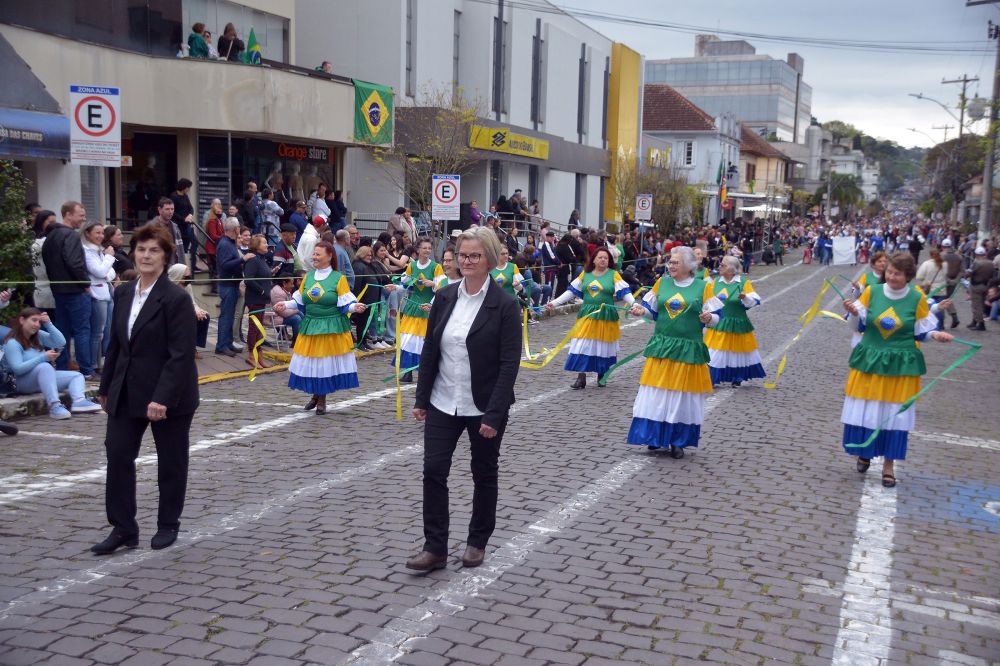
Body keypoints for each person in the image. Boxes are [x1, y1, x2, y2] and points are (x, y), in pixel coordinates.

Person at [406, 227, 521, 571]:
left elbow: (508, 364)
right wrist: (421, 397)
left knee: (483, 472)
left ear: (489, 259)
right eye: (462, 255)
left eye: (475, 256)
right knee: (433, 470)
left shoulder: (504, 304)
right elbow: (431, 350)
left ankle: (477, 541)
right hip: (444, 399)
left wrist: (494, 414)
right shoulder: (444, 296)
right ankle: (435, 547)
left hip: (483, 405)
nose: (467, 262)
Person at [93, 223, 199, 555]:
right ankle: (123, 527)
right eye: (141, 249)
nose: (146, 256)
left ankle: (168, 523)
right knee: (119, 454)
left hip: (169, 394)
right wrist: (106, 386)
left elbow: (181, 354)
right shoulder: (123, 291)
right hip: (126, 389)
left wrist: (161, 398)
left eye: (154, 250)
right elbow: (116, 345)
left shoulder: (176, 298)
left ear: (166, 257)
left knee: (171, 461)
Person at [841, 253, 953, 488]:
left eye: (897, 274)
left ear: (908, 276)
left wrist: (937, 335)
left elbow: (923, 331)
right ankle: (865, 452)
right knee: (869, 410)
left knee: (894, 415)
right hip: (870, 360)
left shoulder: (916, 297)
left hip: (900, 364)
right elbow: (859, 323)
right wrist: (853, 313)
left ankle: (889, 467)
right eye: (889, 272)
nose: (892, 277)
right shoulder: (873, 292)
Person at [627, 246, 724, 458]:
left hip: (688, 349)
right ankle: (655, 437)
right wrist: (641, 311)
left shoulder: (703, 287)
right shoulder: (662, 283)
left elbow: (718, 317)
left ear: (689, 266)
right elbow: (652, 313)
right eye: (670, 262)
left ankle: (677, 440)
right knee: (657, 393)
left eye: (675, 262)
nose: (670, 265)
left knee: (681, 395)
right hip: (663, 347)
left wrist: (710, 319)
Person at [273, 242, 367, 414]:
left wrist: (355, 307)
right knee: (313, 362)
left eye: (318, 254)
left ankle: (321, 399)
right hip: (310, 325)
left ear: (330, 256)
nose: (314, 257)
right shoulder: (308, 278)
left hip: (330, 326)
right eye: (314, 254)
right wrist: (284, 304)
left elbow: (345, 304)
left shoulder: (339, 279)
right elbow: (299, 301)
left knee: (324, 363)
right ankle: (316, 395)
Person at [546, 247, 635, 389]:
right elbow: (571, 292)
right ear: (593, 259)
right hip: (587, 314)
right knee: (582, 344)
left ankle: (602, 375)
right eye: (600, 257)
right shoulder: (585, 274)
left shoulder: (614, 274)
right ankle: (581, 378)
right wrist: (554, 303)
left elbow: (625, 292)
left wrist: (634, 304)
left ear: (609, 261)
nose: (603, 260)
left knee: (603, 345)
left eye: (606, 258)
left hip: (606, 315)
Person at [2, 308, 102, 420]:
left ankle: (79, 401)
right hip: (18, 382)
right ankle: (54, 406)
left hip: (39, 377)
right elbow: (17, 369)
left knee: (76, 376)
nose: (37, 325)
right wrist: (43, 357)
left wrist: (48, 324)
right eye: (33, 320)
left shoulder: (37, 335)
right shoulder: (12, 342)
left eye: (39, 322)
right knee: (44, 367)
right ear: (22, 320)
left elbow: (60, 342)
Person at [43, 201, 94, 378]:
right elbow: (74, 262)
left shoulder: (50, 236)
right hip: (75, 290)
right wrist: (86, 283)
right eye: (81, 215)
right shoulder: (70, 236)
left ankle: (62, 368)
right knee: (82, 330)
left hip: (58, 290)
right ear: (68, 215)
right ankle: (86, 370)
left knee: (62, 329)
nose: (84, 218)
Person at [704, 256, 765, 387]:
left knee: (736, 352)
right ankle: (712, 377)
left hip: (737, 323)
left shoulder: (742, 282)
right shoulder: (715, 282)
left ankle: (736, 377)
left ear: (731, 269)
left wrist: (745, 297)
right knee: (716, 351)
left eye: (723, 265)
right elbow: (708, 300)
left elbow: (754, 301)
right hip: (719, 323)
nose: (719, 267)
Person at [396, 238, 445, 382]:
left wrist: (433, 283)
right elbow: (406, 285)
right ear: (417, 250)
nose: (427, 251)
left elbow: (443, 287)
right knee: (408, 340)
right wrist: (397, 286)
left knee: (424, 340)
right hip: (412, 308)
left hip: (428, 308)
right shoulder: (412, 266)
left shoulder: (436, 267)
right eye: (424, 248)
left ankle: (426, 371)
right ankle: (408, 371)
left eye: (429, 248)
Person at [81, 221, 117, 374]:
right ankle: (92, 366)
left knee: (106, 332)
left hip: (106, 292)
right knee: (97, 333)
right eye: (97, 233)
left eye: (102, 233)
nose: (101, 236)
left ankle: (101, 364)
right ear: (87, 233)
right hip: (97, 295)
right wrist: (108, 258)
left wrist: (106, 263)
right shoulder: (86, 251)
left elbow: (110, 274)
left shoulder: (98, 250)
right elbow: (100, 272)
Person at [351, 245, 395, 351]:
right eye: (368, 255)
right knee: (361, 323)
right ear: (362, 254)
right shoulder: (358, 266)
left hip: (371, 300)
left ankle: (364, 341)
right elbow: (357, 284)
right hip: (363, 300)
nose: (370, 257)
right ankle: (361, 343)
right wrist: (357, 300)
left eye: (371, 255)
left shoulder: (369, 265)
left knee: (366, 322)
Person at [214, 219, 247, 357]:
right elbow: (224, 265)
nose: (239, 229)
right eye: (239, 227)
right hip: (227, 285)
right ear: (235, 229)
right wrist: (242, 260)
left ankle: (227, 343)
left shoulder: (229, 243)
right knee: (226, 316)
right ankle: (221, 345)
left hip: (232, 284)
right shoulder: (225, 244)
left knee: (230, 315)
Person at [242, 235, 274, 369]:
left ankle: (259, 354)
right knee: (254, 327)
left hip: (261, 299)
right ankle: (251, 355)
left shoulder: (262, 259)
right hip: (255, 299)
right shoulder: (253, 260)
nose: (267, 245)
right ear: (257, 245)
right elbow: (248, 279)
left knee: (259, 328)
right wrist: (261, 290)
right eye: (264, 243)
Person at [166, 264, 211, 357]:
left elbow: (192, 302)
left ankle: (192, 346)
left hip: (186, 312)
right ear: (179, 275)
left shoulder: (188, 286)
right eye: (186, 276)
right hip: (172, 316)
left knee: (204, 317)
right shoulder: (168, 287)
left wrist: (198, 311)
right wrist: (191, 312)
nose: (189, 277)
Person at [32, 210, 57, 317]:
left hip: (49, 289)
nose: (53, 226)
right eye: (50, 222)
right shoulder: (37, 242)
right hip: (42, 287)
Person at [169, 179, 196, 269]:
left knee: (194, 242)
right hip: (178, 225)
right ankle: (182, 265)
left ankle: (192, 264)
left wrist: (190, 215)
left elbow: (191, 208)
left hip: (187, 224)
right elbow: (173, 212)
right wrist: (183, 219)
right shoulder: (173, 197)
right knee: (181, 245)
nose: (188, 189)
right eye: (188, 187)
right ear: (184, 187)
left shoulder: (185, 196)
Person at [151, 198, 186, 265]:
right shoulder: (152, 227)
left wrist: (183, 266)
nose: (170, 212)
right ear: (160, 210)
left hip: (175, 265)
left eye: (172, 209)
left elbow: (180, 248)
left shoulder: (175, 227)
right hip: (160, 266)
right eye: (167, 209)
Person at [969, 246, 993, 331]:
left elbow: (970, 273)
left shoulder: (977, 263)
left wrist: (966, 273)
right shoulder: (991, 263)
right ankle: (974, 321)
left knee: (976, 305)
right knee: (981, 304)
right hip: (985, 285)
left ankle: (981, 323)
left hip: (976, 286)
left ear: (976, 254)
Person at [270, 276, 302, 342]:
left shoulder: (283, 290)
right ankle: (296, 341)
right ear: (284, 283)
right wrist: (297, 310)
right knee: (297, 318)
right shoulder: (278, 293)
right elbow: (283, 313)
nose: (293, 286)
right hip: (274, 317)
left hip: (279, 315)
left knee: (300, 314)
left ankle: (302, 337)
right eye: (291, 284)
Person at [940, 238, 963, 328]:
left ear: (942, 246)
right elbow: (962, 271)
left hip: (943, 280)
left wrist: (948, 279)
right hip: (954, 280)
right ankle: (954, 317)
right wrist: (956, 280)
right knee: (948, 298)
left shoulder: (941, 256)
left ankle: (941, 322)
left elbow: (940, 270)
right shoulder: (959, 256)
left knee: (940, 299)